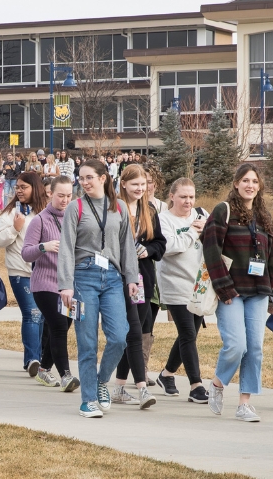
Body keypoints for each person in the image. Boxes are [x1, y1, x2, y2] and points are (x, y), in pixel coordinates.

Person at [57, 159, 139, 418]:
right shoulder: (75, 207)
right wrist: (65, 285)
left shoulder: (120, 207)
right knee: (87, 341)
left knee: (119, 336)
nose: (84, 182)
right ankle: (88, 399)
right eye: (81, 178)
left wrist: (132, 278)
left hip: (113, 278)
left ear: (104, 178)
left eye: (89, 177)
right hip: (83, 278)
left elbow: (127, 245)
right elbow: (67, 248)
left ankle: (102, 380)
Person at [203, 163, 273, 423]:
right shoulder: (223, 211)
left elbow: (271, 257)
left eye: (255, 182)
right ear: (236, 183)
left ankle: (244, 404)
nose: (250, 185)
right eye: (245, 180)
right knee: (237, 345)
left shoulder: (264, 216)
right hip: (232, 291)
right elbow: (211, 249)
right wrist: (223, 287)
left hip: (258, 291)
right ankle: (217, 384)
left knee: (255, 348)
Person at [112, 165, 166, 408]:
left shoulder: (149, 210)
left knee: (135, 333)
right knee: (131, 332)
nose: (140, 189)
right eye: (135, 185)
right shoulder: (113, 209)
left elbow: (160, 244)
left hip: (144, 278)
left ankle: (120, 387)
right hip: (118, 278)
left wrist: (149, 249)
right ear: (123, 184)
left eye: (143, 185)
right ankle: (141, 387)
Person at [22, 176, 79, 392]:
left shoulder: (74, 218)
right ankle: (66, 376)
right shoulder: (40, 220)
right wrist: (43, 247)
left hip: (69, 285)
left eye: (69, 196)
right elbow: (26, 253)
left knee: (64, 326)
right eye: (60, 195)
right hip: (45, 284)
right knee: (58, 326)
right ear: (50, 194)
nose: (65, 200)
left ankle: (44, 369)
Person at [157, 177, 209, 402]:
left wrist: (207, 230)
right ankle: (196, 385)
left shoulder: (202, 214)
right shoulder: (163, 220)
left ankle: (167, 373)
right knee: (188, 333)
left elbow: (216, 241)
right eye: (183, 197)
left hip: (199, 285)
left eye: (191, 197)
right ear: (171, 196)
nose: (188, 202)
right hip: (175, 284)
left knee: (189, 335)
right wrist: (193, 231)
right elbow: (170, 247)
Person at [0, 170, 47, 377]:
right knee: (32, 314)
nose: (19, 191)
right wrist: (15, 228)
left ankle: (37, 358)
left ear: (36, 188)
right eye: (17, 187)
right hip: (20, 272)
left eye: (24, 187)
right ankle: (33, 359)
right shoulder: (11, 213)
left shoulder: (44, 213)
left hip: (44, 273)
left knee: (41, 317)